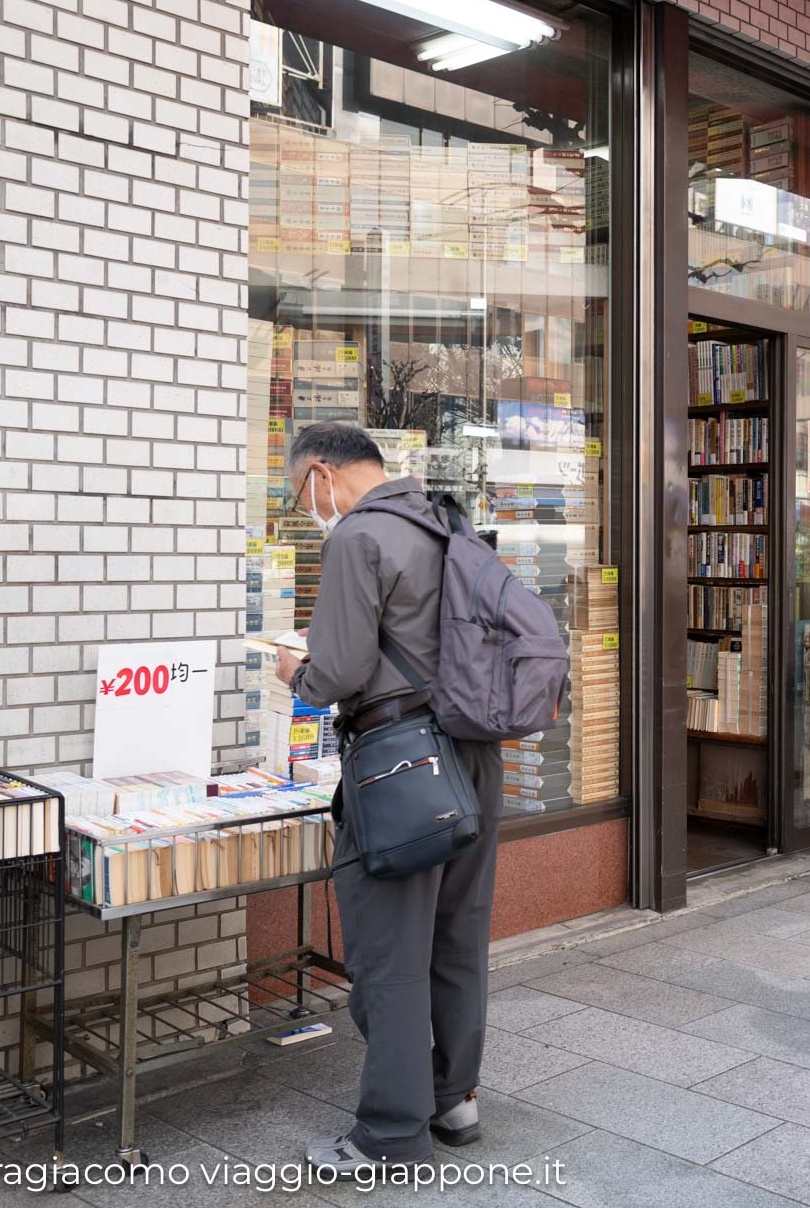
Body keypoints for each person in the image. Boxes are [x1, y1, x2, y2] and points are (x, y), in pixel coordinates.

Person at [272, 422, 500, 1173]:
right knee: (457, 931)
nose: (304, 505)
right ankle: (453, 1096)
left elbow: (337, 668)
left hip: (400, 764)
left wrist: (294, 675)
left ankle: (390, 1134)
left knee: (389, 950)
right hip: (472, 752)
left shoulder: (357, 539)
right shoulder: (445, 520)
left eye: (297, 489)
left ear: (320, 475)